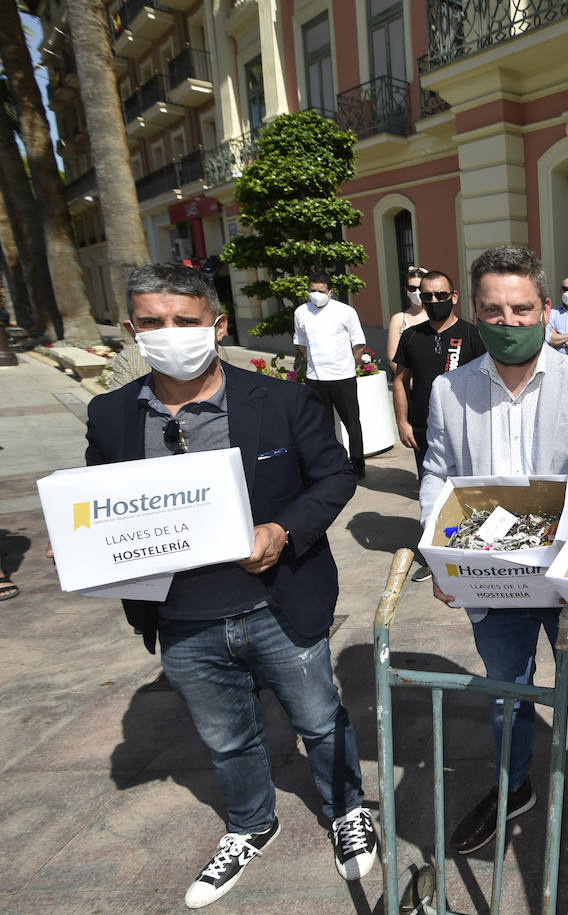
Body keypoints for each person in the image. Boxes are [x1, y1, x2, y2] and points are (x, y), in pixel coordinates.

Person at [86, 264, 375, 909]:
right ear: (132, 331)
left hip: (279, 599)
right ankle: (250, 823)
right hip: (181, 614)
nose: (170, 334)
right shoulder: (110, 415)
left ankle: (347, 807)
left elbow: (333, 477)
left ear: (216, 325)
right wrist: (83, 540)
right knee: (224, 735)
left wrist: (282, 529)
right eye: (153, 323)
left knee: (319, 719)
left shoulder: (283, 401)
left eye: (184, 322)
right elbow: (100, 500)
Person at [421, 245, 568, 880]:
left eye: (521, 308)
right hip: (492, 577)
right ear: (474, 313)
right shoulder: (448, 389)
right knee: (505, 695)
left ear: (545, 309)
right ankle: (516, 789)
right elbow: (437, 472)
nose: (508, 321)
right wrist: (439, 554)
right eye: (493, 310)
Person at [393, 269, 486, 581]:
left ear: (454, 297)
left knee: (471, 493)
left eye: (441, 295)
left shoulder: (472, 335)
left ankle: (474, 553)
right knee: (431, 492)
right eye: (427, 295)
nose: (433, 301)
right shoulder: (411, 336)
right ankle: (437, 557)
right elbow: (401, 380)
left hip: (468, 433)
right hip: (423, 432)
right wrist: (403, 422)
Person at [293, 272, 367, 478]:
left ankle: (358, 465)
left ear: (331, 292)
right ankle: (331, 464)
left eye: (321, 291)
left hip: (343, 377)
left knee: (352, 422)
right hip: (315, 378)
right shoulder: (301, 312)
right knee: (323, 425)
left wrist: (352, 365)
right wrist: (314, 362)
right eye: (312, 290)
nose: (316, 295)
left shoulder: (346, 312)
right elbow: (300, 342)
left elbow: (358, 342)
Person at [386, 265, 431, 375]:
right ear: (406, 289)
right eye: (412, 288)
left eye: (420, 288)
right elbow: (392, 358)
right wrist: (409, 382)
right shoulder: (398, 319)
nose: (417, 292)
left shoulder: (436, 316)